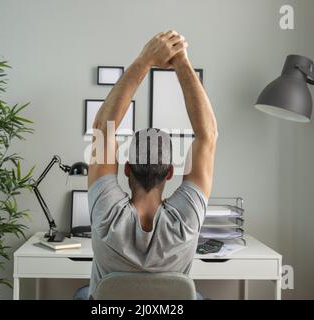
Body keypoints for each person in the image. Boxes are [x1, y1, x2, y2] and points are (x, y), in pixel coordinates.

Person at [74, 30, 218, 300]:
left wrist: (145, 60)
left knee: (85, 294)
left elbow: (103, 129)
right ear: (171, 172)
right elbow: (207, 135)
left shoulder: (106, 214)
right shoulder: (186, 220)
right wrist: (182, 62)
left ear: (126, 168)